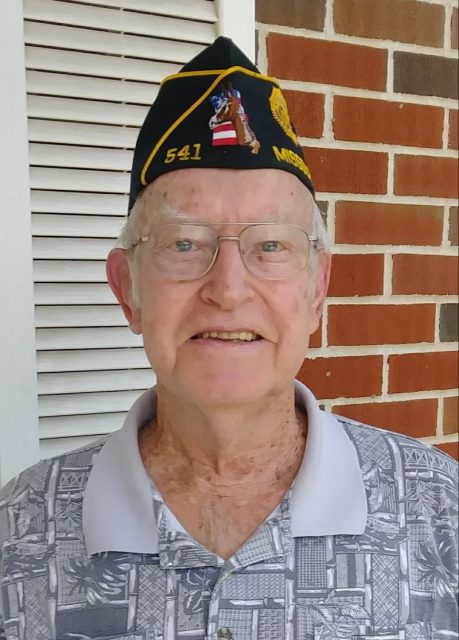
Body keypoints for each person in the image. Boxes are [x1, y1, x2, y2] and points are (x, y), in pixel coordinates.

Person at [0, 37, 457, 640]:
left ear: (317, 289)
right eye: (184, 244)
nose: (228, 287)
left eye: (270, 245)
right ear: (126, 289)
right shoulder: (17, 531)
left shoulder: (441, 512)